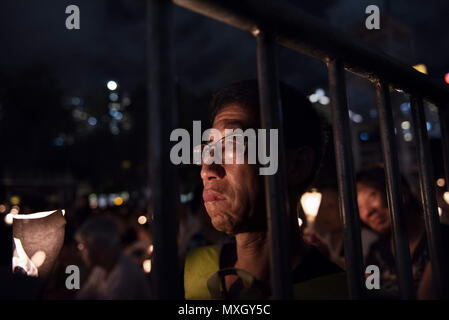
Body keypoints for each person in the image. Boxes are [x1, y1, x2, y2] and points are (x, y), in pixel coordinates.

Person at [184, 79, 348, 300]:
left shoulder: (338, 291)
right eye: (207, 150)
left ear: (296, 166)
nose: (207, 170)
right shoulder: (191, 270)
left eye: (232, 145)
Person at [356, 167, 449, 299]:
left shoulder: (440, 238)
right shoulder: (376, 252)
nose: (367, 212)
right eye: (359, 207)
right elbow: (371, 293)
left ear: (401, 192)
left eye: (372, 196)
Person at [75, 216, 152, 300]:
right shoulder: (101, 269)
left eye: (82, 246)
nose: (80, 252)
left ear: (99, 247)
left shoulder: (126, 274)